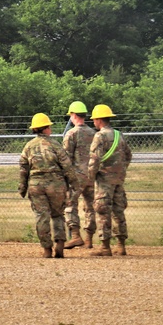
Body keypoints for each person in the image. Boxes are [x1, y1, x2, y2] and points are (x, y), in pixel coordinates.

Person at [19, 113, 79, 258]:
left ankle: (46, 249)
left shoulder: (28, 146)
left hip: (36, 185)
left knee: (41, 216)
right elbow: (67, 165)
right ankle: (59, 244)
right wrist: (74, 183)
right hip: (56, 184)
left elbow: (23, 168)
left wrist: (22, 188)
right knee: (58, 215)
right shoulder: (55, 145)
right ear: (46, 128)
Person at [87, 105, 133, 256]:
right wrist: (121, 170)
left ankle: (105, 247)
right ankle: (121, 246)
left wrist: (90, 177)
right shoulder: (119, 135)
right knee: (118, 212)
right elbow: (128, 155)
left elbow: (94, 160)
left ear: (99, 119)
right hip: (118, 180)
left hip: (104, 180)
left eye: (94, 119)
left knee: (103, 211)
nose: (93, 121)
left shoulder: (100, 136)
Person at [62, 101, 96, 249]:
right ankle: (89, 238)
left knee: (70, 204)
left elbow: (66, 157)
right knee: (91, 207)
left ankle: (75, 235)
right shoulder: (94, 133)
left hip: (76, 176)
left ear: (73, 115)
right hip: (92, 175)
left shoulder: (71, 134)